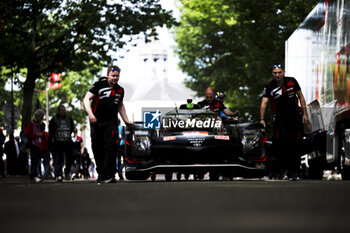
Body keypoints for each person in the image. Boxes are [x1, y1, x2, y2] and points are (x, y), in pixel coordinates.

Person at [260, 63, 310, 181]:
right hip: (279, 119)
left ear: (284, 72)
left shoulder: (292, 81)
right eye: (275, 73)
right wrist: (262, 119)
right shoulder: (269, 86)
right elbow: (264, 103)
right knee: (281, 146)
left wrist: (305, 114)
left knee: (295, 145)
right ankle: (281, 172)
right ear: (272, 74)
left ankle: (295, 173)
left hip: (295, 117)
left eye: (279, 72)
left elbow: (301, 97)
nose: (277, 75)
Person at [83, 65, 133, 184]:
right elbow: (86, 99)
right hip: (96, 121)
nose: (115, 78)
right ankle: (101, 173)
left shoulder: (120, 90)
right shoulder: (98, 85)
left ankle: (109, 174)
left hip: (111, 122)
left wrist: (126, 120)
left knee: (110, 147)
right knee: (97, 147)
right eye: (113, 76)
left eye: (117, 76)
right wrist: (90, 115)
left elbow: (120, 105)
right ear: (108, 75)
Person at [48, 104, 75, 182]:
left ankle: (67, 172)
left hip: (67, 141)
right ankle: (58, 174)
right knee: (59, 160)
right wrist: (50, 143)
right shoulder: (54, 119)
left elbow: (72, 128)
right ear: (58, 111)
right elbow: (51, 131)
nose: (63, 112)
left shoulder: (69, 119)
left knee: (69, 159)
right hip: (58, 142)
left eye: (64, 110)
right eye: (62, 110)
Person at [25, 109, 46, 182]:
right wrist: (37, 135)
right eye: (41, 117)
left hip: (39, 145)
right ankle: (34, 175)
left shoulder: (41, 125)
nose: (42, 119)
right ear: (37, 117)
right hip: (33, 144)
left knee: (37, 161)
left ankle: (35, 175)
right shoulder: (31, 124)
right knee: (34, 160)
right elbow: (27, 134)